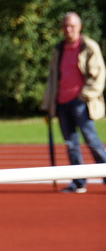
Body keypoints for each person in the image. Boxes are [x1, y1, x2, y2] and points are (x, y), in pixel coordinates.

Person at [42, 11, 106, 193]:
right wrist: (49, 102)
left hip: (81, 103)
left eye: (71, 26)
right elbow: (53, 78)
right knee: (70, 144)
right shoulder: (59, 49)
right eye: (65, 26)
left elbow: (99, 75)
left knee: (92, 141)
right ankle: (78, 182)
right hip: (62, 103)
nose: (68, 29)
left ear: (79, 27)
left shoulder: (88, 46)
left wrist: (84, 95)